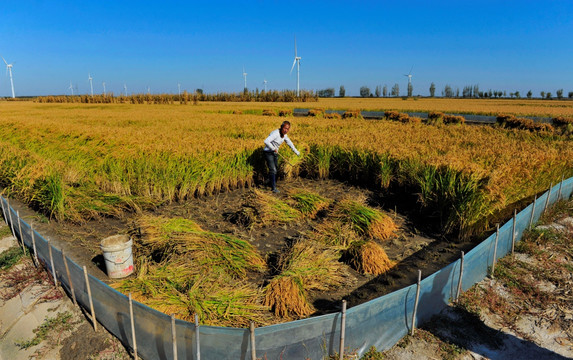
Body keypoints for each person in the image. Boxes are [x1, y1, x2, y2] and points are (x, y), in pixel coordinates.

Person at [263, 121, 300, 193]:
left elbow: (290, 143)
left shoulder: (284, 135)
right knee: (273, 170)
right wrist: (273, 148)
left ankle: (269, 181)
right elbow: (266, 141)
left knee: (275, 169)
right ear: (281, 127)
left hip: (275, 153)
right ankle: (273, 188)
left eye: (287, 129)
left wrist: (296, 152)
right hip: (268, 152)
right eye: (285, 128)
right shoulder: (275, 133)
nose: (286, 130)